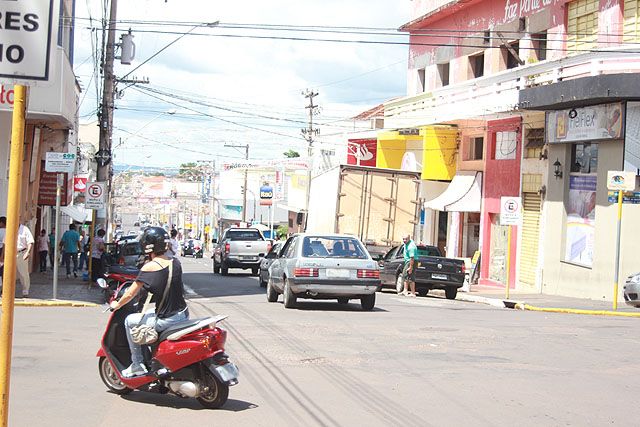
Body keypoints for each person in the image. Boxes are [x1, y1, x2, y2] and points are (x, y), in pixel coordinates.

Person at [109, 227, 189, 378]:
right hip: (183, 314)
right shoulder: (176, 263)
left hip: (167, 319)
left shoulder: (150, 267)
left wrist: (116, 304)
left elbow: (131, 293)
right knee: (148, 314)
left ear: (148, 246)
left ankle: (137, 364)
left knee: (129, 321)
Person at [0, 218, 34, 298]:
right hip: (10, 254)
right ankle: (6, 291)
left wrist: (28, 252)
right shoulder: (9, 229)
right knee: (8, 273)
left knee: (23, 274)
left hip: (21, 253)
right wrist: (2, 256)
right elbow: (5, 243)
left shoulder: (25, 229)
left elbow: (30, 242)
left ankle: (25, 291)